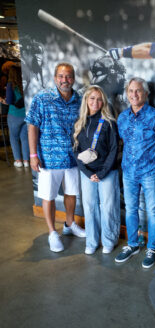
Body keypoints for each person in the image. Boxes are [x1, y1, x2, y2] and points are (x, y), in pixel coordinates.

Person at [25, 62, 86, 252]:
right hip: (48, 159)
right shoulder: (42, 98)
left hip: (72, 157)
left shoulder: (79, 99)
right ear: (54, 78)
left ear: (73, 79)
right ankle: (52, 233)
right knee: (48, 196)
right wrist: (33, 155)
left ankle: (69, 224)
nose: (64, 80)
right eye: (61, 76)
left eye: (68, 76)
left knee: (71, 193)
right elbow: (32, 126)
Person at [115, 77, 155, 269]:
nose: (134, 94)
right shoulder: (122, 117)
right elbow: (122, 141)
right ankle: (133, 244)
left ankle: (152, 247)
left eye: (138, 91)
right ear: (127, 94)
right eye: (131, 91)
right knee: (131, 208)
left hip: (150, 170)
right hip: (128, 171)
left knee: (152, 210)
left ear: (145, 93)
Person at [72, 85, 120, 255]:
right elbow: (76, 151)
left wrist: (102, 173)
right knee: (90, 207)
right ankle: (92, 241)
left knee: (108, 207)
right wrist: (87, 173)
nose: (95, 102)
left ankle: (108, 240)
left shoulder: (109, 122)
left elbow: (114, 149)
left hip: (107, 172)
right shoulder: (79, 123)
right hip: (87, 174)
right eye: (92, 98)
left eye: (99, 99)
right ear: (86, 100)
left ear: (103, 102)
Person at [1, 65, 30, 168]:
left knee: (13, 138)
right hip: (26, 115)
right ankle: (26, 161)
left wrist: (2, 100)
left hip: (14, 115)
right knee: (25, 138)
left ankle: (18, 161)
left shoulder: (10, 85)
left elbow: (9, 101)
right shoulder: (25, 84)